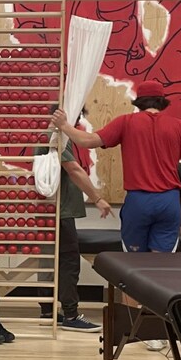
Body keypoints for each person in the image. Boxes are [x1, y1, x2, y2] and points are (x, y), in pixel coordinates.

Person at [55, 80, 181, 253]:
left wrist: (64, 125)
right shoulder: (180, 126)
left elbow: (87, 141)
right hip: (169, 202)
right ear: (162, 101)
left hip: (139, 201)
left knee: (135, 263)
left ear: (139, 102)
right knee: (162, 263)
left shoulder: (126, 122)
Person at [41, 107, 113, 332]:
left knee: (52, 261)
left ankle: (48, 310)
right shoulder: (56, 138)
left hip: (52, 210)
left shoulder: (51, 137)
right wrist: (98, 198)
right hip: (59, 212)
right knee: (68, 262)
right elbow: (74, 169)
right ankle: (70, 315)